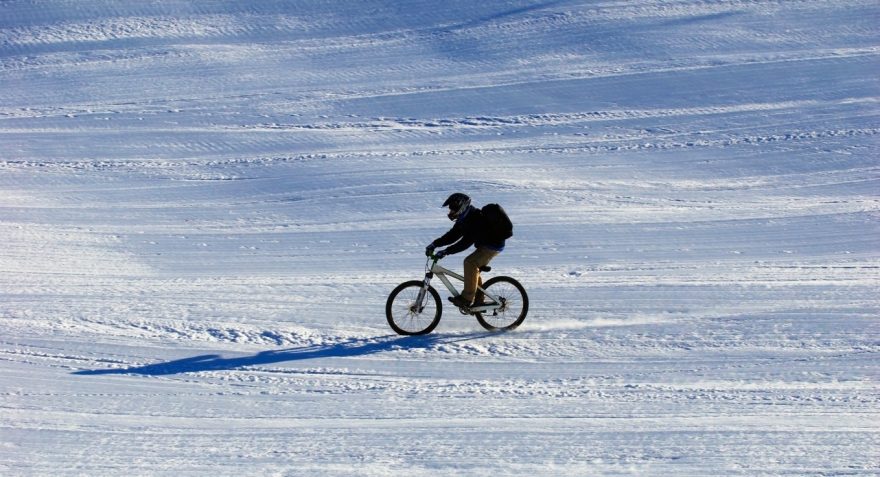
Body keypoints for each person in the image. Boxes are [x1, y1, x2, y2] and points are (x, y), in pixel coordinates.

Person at [425, 192, 506, 309]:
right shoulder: (464, 218)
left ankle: (466, 299)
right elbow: (453, 235)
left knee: (470, 262)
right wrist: (434, 244)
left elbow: (465, 243)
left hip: (493, 245)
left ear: (461, 207)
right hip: (485, 244)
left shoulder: (475, 220)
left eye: (452, 208)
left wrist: (446, 251)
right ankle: (479, 301)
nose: (450, 212)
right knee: (473, 267)